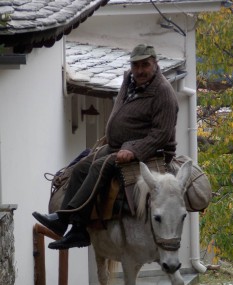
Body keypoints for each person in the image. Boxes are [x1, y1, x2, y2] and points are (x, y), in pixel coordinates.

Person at [33, 44, 179, 250]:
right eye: (136, 65)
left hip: (149, 152)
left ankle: (70, 222)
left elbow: (161, 134)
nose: (140, 70)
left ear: (155, 64)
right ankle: (69, 226)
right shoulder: (129, 80)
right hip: (117, 145)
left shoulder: (163, 93)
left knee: (98, 168)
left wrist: (134, 150)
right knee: (81, 167)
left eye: (145, 64)